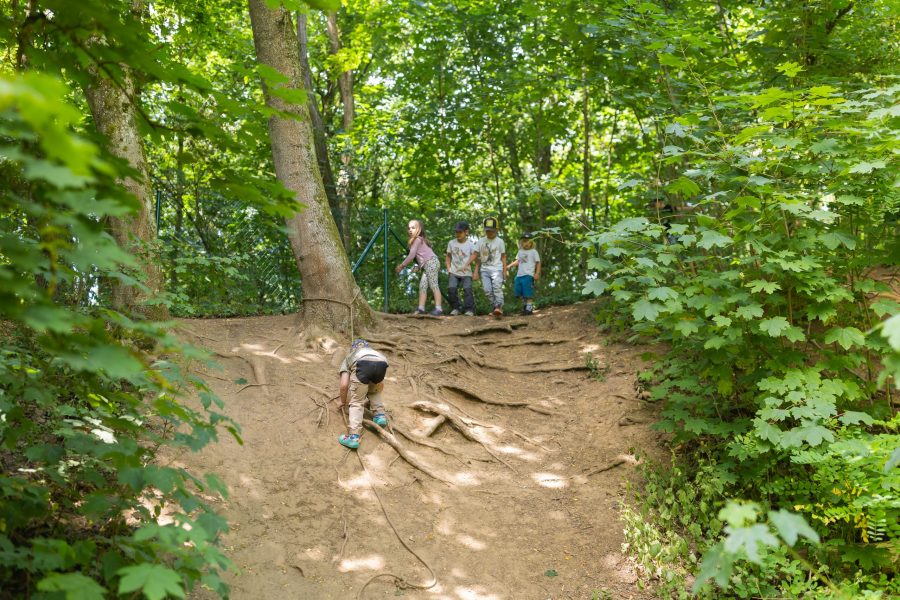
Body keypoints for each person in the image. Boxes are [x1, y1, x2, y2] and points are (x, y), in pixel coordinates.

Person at [338, 339, 389, 449]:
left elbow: (343, 385)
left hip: (362, 364)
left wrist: (342, 401)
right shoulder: (374, 352)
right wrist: (375, 390)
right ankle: (380, 416)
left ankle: (353, 437)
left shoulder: (350, 356)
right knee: (374, 392)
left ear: (353, 349)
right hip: (382, 363)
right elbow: (379, 386)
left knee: (357, 402)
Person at [395, 219, 443, 316]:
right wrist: (418, 266)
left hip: (431, 263)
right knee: (422, 286)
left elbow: (412, 255)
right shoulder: (419, 241)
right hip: (429, 264)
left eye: (413, 227)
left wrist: (402, 266)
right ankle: (421, 308)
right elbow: (421, 257)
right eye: (409, 228)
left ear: (419, 229)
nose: (410, 230)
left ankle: (438, 308)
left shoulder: (417, 239)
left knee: (433, 284)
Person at [474, 216, 507, 316]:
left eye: (492, 231)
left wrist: (505, 271)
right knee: (487, 290)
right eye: (487, 231)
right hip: (484, 270)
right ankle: (495, 307)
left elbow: (503, 257)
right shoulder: (481, 241)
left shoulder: (500, 241)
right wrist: (475, 271)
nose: (489, 233)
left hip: (497, 269)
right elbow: (476, 255)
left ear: (497, 230)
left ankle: (499, 306)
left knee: (497, 288)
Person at [445, 221, 477, 316]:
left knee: (467, 290)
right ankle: (456, 308)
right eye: (456, 232)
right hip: (454, 271)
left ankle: (469, 310)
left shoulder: (471, 245)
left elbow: (476, 259)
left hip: (466, 272)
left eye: (460, 232)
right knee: (451, 289)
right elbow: (448, 256)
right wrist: (448, 269)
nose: (457, 234)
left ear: (466, 232)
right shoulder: (451, 243)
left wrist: (475, 272)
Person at [505, 232, 541, 315]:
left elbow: (538, 262)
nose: (526, 243)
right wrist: (509, 266)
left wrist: (537, 273)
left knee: (528, 293)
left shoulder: (534, 252)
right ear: (521, 242)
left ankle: (528, 309)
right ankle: (525, 306)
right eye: (524, 241)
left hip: (528, 275)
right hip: (519, 276)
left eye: (529, 241)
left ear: (532, 243)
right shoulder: (520, 251)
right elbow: (518, 261)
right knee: (518, 292)